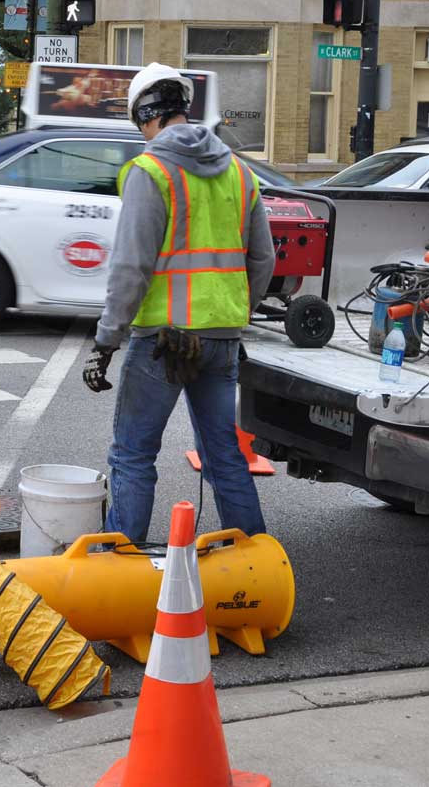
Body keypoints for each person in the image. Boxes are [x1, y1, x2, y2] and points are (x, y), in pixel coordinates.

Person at [82, 62, 275, 544]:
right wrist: (235, 313)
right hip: (222, 338)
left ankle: (121, 564)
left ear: (146, 116)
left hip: (163, 342)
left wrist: (107, 340)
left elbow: (131, 267)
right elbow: (264, 258)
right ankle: (255, 565)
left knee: (132, 454)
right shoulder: (239, 171)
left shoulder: (150, 171)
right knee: (223, 454)